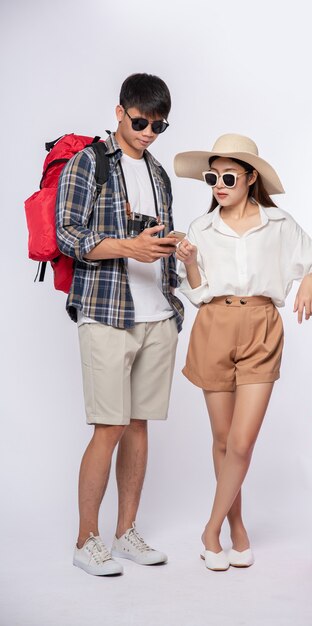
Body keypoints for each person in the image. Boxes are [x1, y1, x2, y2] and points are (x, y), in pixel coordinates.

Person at [174, 134, 312, 571]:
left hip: (262, 328)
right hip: (213, 326)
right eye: (212, 177)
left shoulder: (279, 224)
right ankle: (237, 525)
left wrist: (309, 279)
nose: (219, 184)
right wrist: (189, 261)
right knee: (224, 440)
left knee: (242, 442)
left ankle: (211, 529)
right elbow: (196, 292)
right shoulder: (200, 228)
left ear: (250, 178)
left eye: (229, 176)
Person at [56, 73, 184, 576]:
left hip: (156, 313)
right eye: (140, 121)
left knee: (137, 426)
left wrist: (174, 268)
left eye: (159, 124)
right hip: (106, 313)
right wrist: (129, 247)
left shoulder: (158, 173)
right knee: (107, 426)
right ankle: (86, 541)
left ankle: (125, 532)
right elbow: (68, 234)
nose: (149, 131)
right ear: (119, 113)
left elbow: (160, 236)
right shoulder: (88, 163)